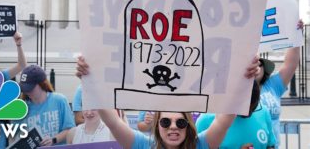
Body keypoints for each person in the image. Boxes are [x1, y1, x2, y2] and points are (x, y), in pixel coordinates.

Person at [76, 56, 260, 149]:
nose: (173, 127)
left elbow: (224, 121)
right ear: (157, 125)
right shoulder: (145, 145)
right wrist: (90, 79)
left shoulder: (200, 145)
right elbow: (113, 123)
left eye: (180, 122)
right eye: (166, 121)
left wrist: (244, 75)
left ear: (188, 126)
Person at [256, 19, 303, 148]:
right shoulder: (238, 88)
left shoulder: (273, 86)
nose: (257, 67)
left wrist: (296, 35)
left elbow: (291, 64)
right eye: (253, 63)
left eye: (260, 64)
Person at [196, 80, 276, 148]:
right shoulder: (205, 120)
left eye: (254, 108)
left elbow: (270, 145)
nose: (249, 114)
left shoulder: (264, 111)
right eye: (244, 109)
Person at [17, 65, 75, 146]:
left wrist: (53, 140)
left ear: (41, 84)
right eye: (24, 89)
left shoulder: (59, 100)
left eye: (30, 88)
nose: (27, 92)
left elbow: (70, 130)